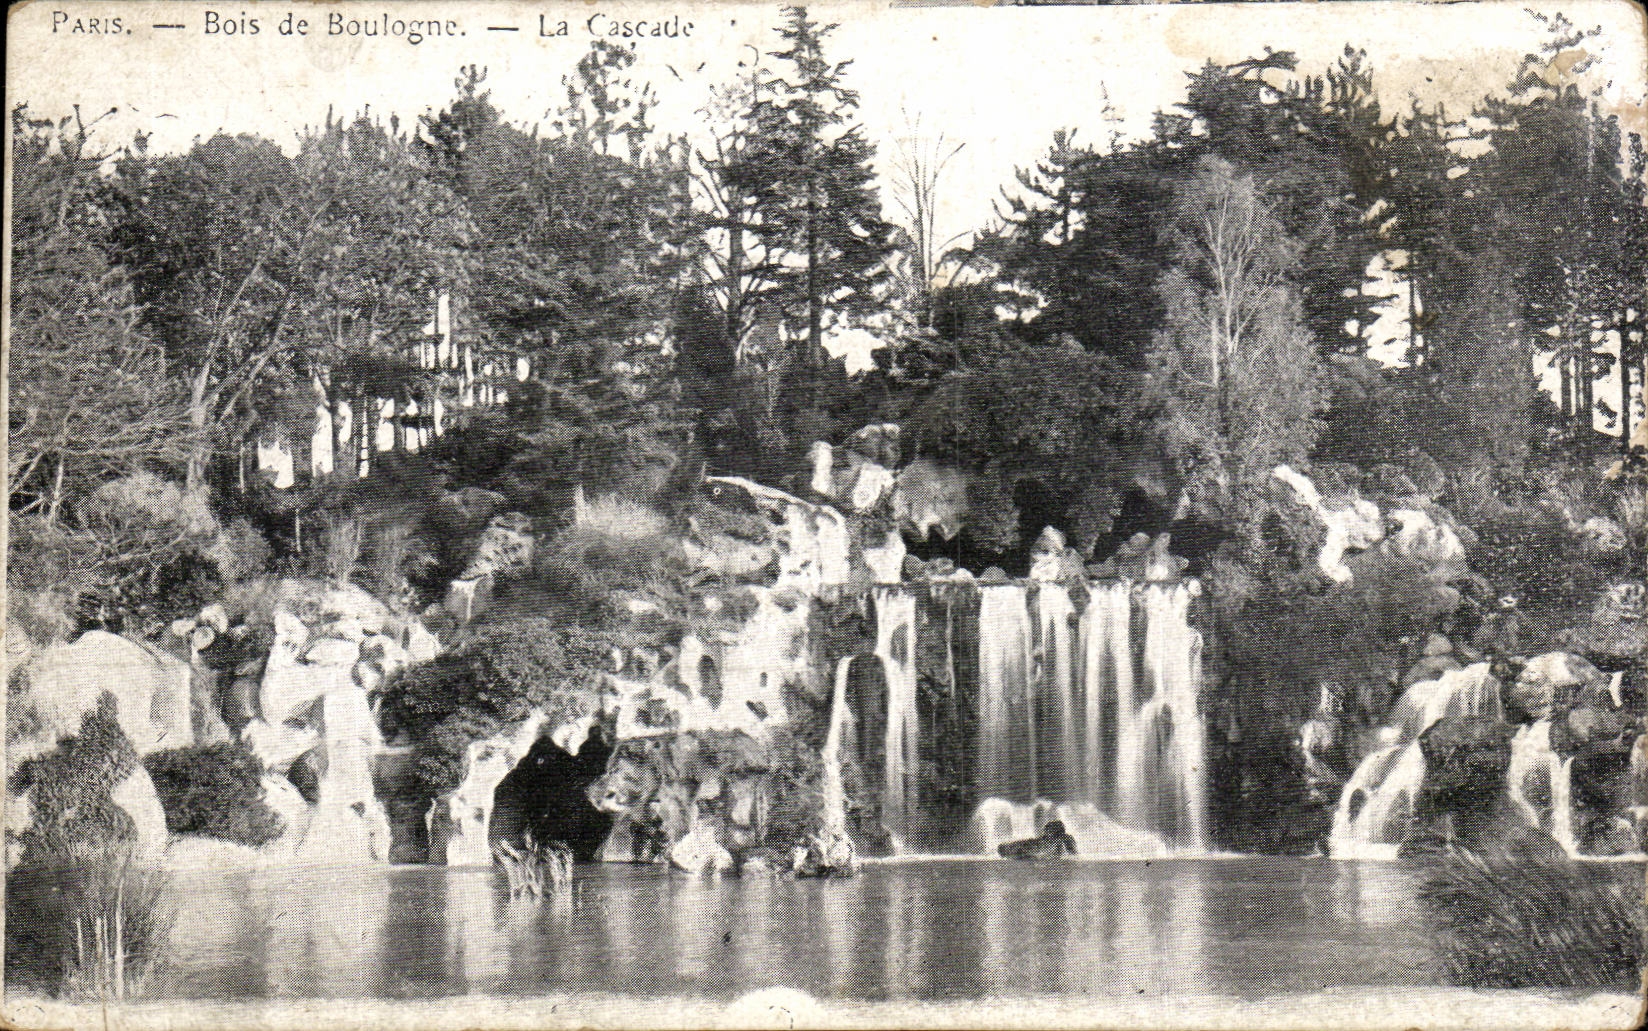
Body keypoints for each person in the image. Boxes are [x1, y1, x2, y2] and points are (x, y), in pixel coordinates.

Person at [998, 820, 1078, 859]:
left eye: (1048, 830)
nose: (1046, 832)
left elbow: (1073, 854)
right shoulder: (1043, 839)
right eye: (1047, 830)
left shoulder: (1065, 838)